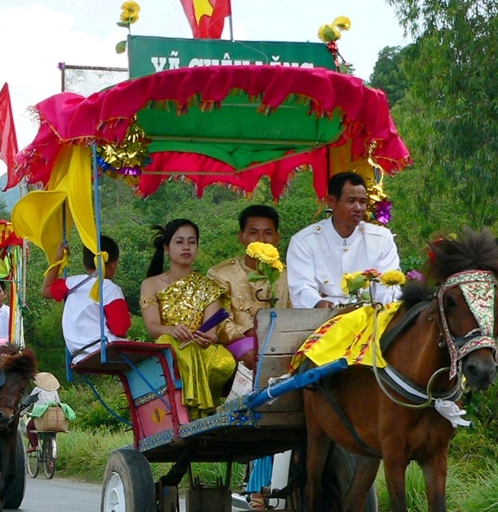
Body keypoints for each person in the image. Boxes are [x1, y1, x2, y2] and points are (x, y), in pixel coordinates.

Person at [140, 219, 235, 420]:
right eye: (179, 242)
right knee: (168, 346)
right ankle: (188, 413)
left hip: (201, 348)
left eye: (192, 242)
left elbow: (211, 331)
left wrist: (208, 337)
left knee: (224, 361)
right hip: (171, 344)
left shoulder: (208, 286)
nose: (186, 247)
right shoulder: (151, 284)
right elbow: (152, 327)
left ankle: (209, 409)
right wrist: (171, 330)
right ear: (166, 248)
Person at [286, 171, 402, 308]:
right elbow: (301, 288)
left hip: (372, 319)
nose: (358, 208)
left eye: (362, 202)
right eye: (351, 201)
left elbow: (388, 288)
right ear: (331, 202)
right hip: (322, 321)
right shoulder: (304, 241)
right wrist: (318, 303)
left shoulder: (382, 238)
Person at [207, 205, 292, 371]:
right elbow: (219, 322)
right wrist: (249, 332)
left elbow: (296, 313)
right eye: (254, 233)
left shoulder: (288, 274)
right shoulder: (221, 274)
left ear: (277, 238)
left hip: (282, 341)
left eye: (268, 233)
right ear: (241, 237)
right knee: (254, 354)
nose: (261, 239)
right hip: (239, 342)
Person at [41, 236, 131, 364]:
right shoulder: (110, 288)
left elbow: (45, 290)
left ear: (84, 264)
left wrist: (58, 258)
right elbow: (120, 328)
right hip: (103, 347)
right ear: (113, 265)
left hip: (78, 354)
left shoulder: (71, 283)